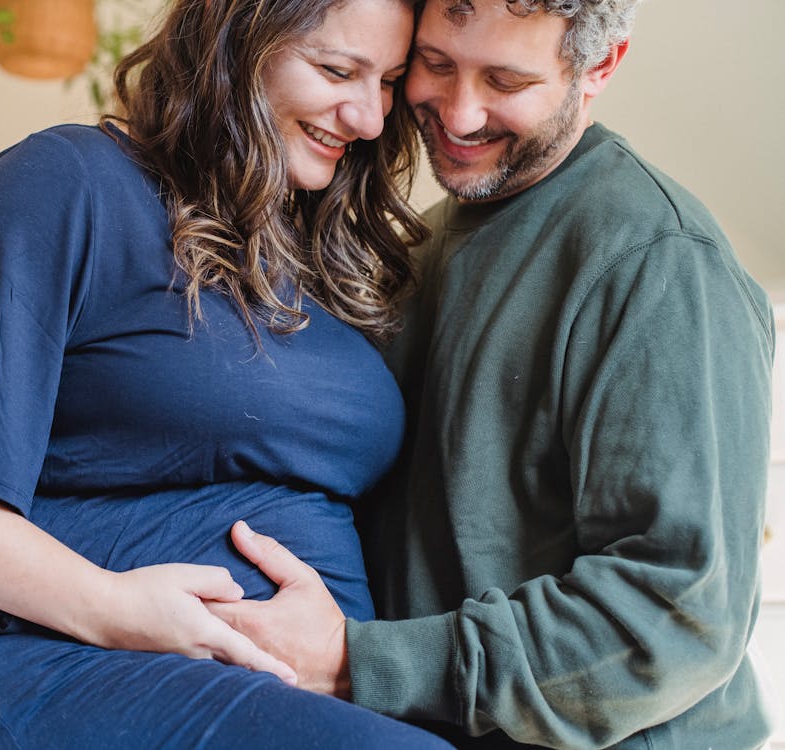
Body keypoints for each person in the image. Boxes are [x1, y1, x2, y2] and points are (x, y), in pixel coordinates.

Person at [0, 0, 456, 747]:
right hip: (22, 654)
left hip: (241, 683)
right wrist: (110, 607)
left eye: (387, 82)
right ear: (235, 46)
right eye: (336, 70)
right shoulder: (70, 181)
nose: (369, 118)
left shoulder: (314, 254)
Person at [209, 0, 777, 747]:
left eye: (504, 80)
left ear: (599, 67)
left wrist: (358, 662)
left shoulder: (657, 263)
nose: (458, 112)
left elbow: (673, 615)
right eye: (437, 63)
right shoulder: (423, 244)